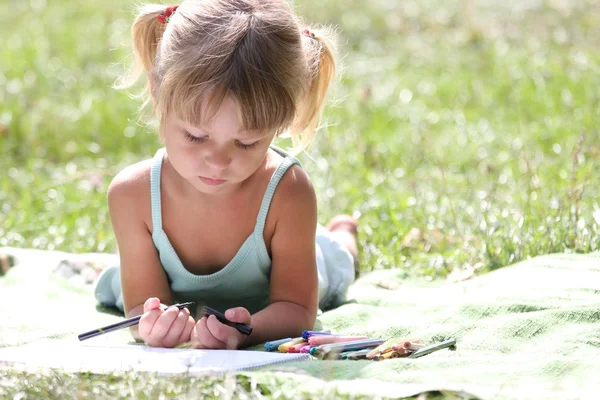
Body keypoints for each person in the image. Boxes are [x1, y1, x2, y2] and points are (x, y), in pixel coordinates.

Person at [94, 0, 358, 350]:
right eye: (195, 136)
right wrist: (154, 326)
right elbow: (142, 307)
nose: (218, 163)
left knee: (337, 257)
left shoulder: (288, 194)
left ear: (281, 122)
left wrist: (245, 330)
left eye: (247, 142)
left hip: (303, 262)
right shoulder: (133, 196)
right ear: (158, 91)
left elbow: (297, 308)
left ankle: (344, 233)